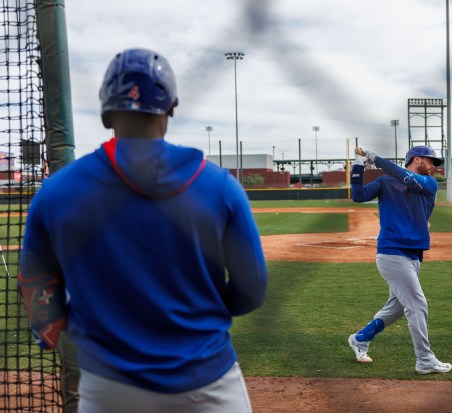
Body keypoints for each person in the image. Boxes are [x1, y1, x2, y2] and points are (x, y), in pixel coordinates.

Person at [18, 48, 267, 413]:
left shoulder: (56, 191)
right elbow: (252, 291)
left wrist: (68, 326)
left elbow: (38, 293)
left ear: (105, 114)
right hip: (207, 383)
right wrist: (200, 314)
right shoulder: (219, 186)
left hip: (108, 388)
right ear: (171, 107)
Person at [347, 146, 452, 375]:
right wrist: (358, 165)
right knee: (417, 305)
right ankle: (425, 360)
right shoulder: (385, 182)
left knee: (396, 308)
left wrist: (376, 159)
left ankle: (359, 339)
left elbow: (404, 176)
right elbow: (358, 196)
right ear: (417, 159)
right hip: (392, 253)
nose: (434, 166)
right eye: (431, 161)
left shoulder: (428, 183)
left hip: (413, 255)